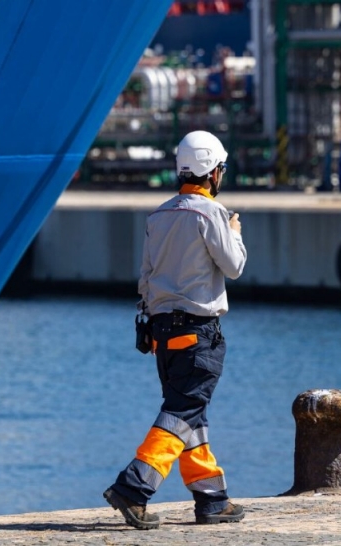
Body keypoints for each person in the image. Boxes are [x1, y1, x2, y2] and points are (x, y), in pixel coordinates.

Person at [103, 131, 247, 530]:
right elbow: (234, 266)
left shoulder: (159, 215)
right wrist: (234, 231)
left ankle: (211, 498)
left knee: (189, 413)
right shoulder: (211, 214)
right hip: (199, 334)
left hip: (163, 334)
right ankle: (133, 488)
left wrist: (148, 327)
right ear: (214, 173)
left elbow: (146, 279)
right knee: (182, 412)